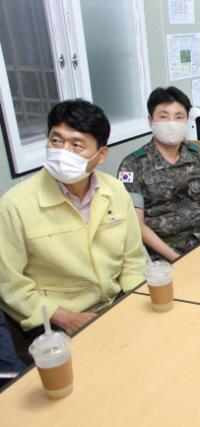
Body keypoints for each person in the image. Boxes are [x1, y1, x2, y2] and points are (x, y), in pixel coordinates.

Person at [0, 100, 146, 336]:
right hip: (55, 320)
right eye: (56, 141)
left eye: (77, 145)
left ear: (101, 155)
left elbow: (133, 259)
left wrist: (134, 299)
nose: (63, 152)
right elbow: (10, 286)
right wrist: (66, 318)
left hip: (116, 302)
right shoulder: (14, 205)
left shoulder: (115, 190)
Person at [118, 87, 200, 261]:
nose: (172, 123)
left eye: (179, 117)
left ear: (186, 120)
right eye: (163, 117)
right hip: (161, 254)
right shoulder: (133, 164)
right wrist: (177, 259)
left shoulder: (197, 155)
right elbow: (137, 224)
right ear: (150, 121)